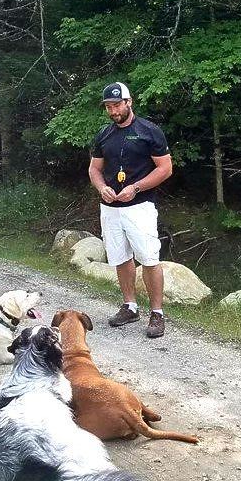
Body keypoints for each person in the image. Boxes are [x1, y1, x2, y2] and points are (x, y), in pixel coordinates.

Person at [88, 82, 173, 338]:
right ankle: (130, 306)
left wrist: (135, 188)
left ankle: (157, 313)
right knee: (120, 256)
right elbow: (94, 169)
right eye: (108, 107)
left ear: (129, 102)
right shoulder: (103, 134)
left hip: (140, 206)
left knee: (148, 257)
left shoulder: (150, 131)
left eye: (117, 105)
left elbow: (165, 169)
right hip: (111, 206)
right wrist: (101, 187)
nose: (113, 111)